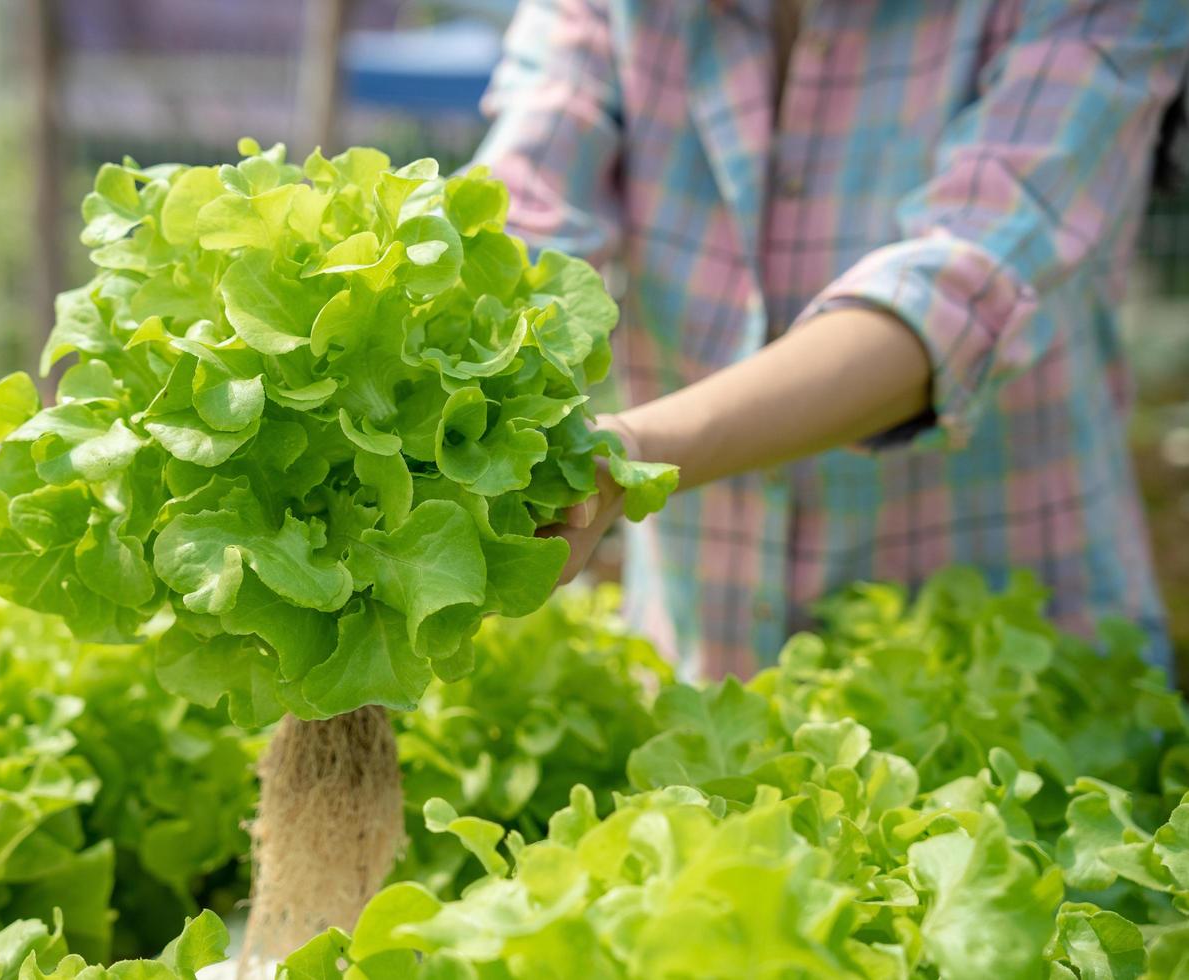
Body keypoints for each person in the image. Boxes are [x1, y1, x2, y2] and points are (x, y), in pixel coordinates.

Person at [475, 0, 1189, 679]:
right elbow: (520, 210)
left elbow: (955, 290)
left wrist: (626, 456)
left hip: (1025, 682)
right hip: (700, 670)